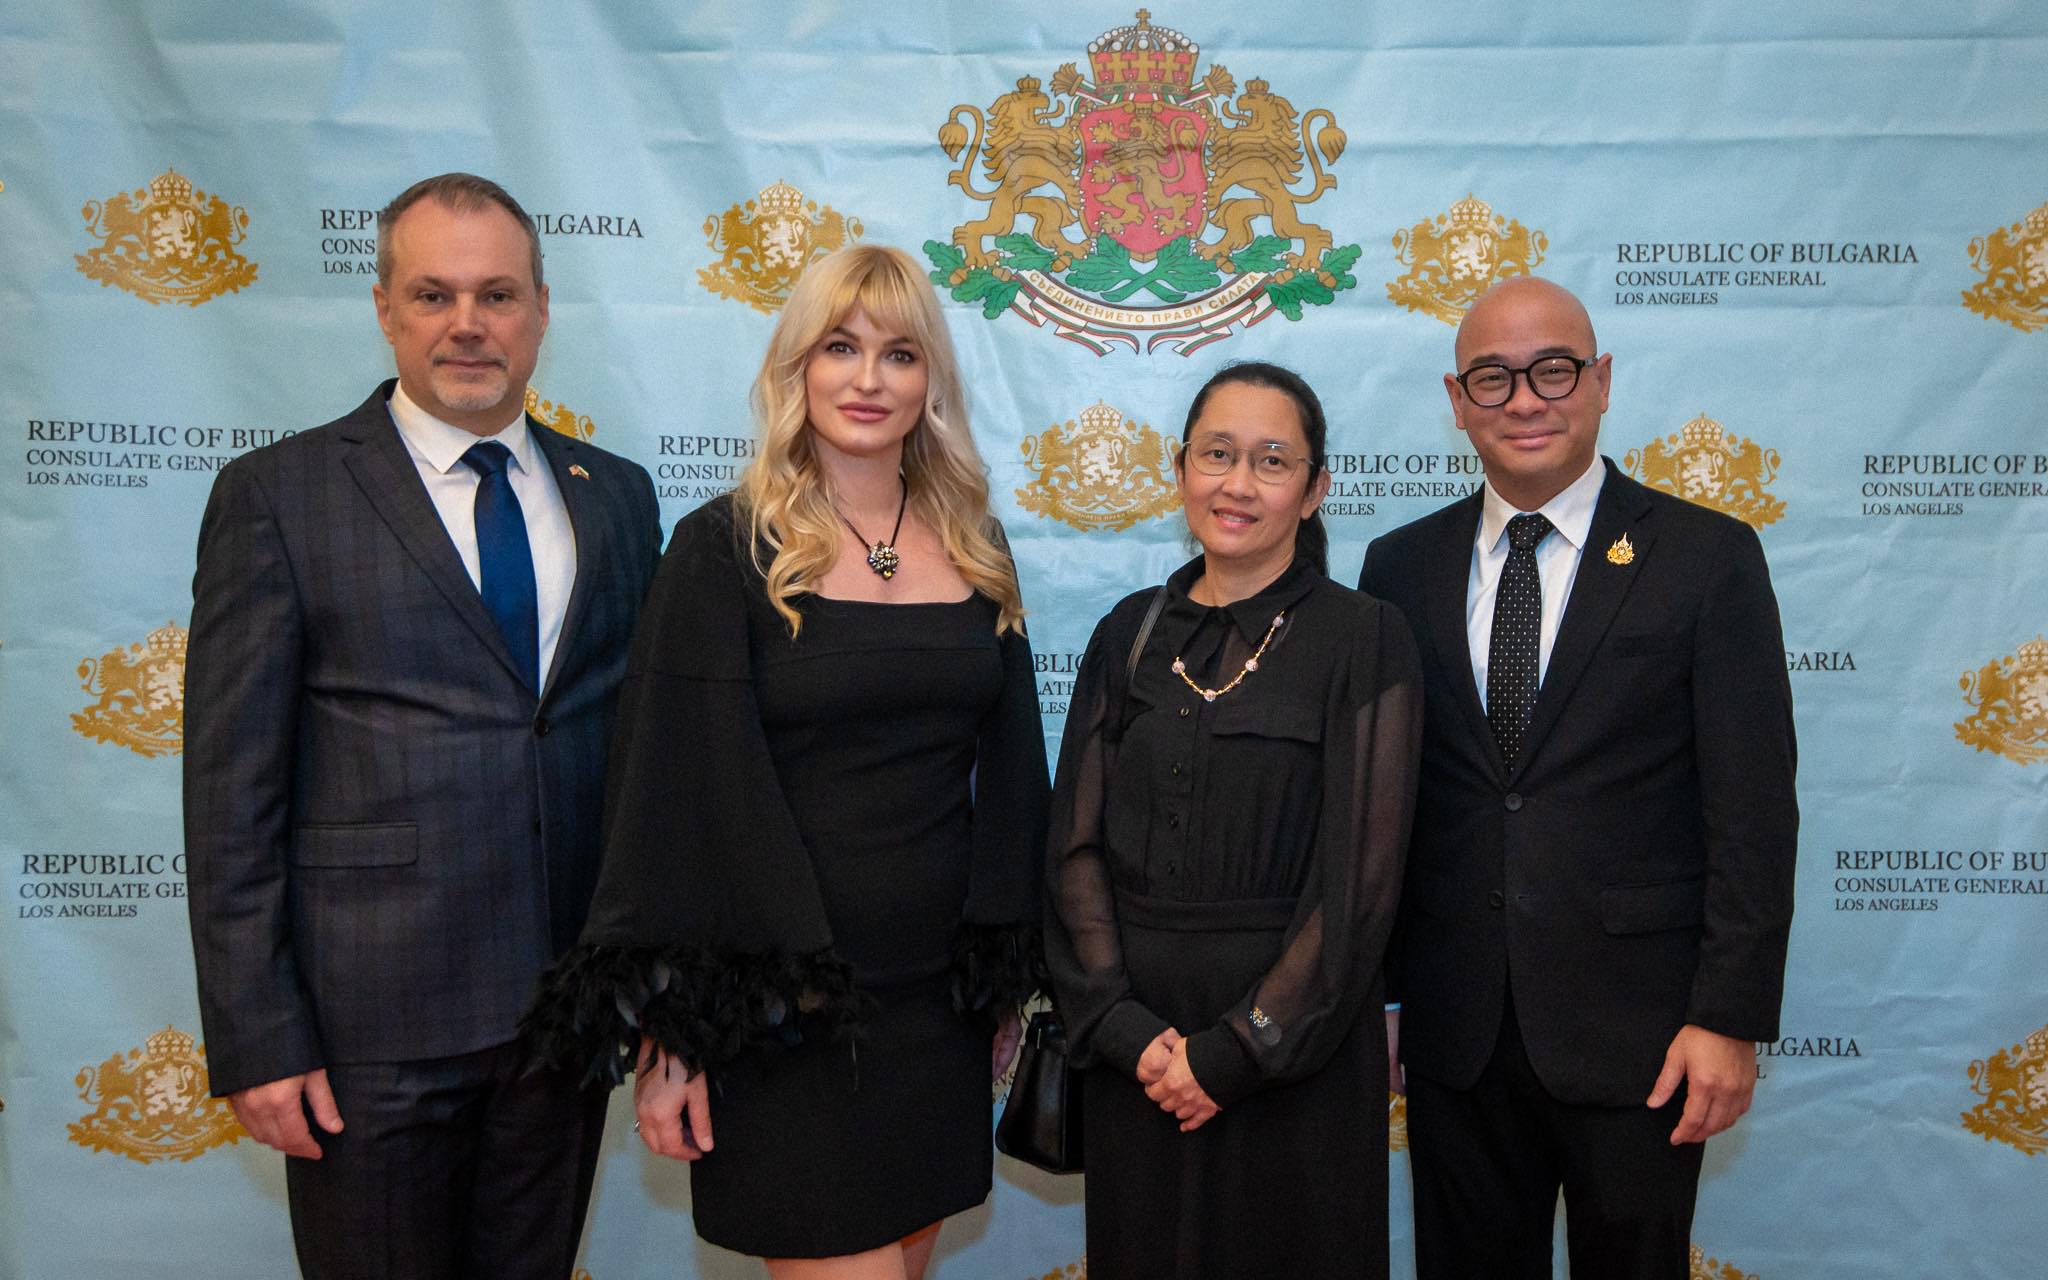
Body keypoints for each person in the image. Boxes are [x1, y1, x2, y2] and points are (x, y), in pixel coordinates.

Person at [524, 244, 1049, 1280]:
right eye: (840, 348)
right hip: (782, 1015)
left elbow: (1011, 771)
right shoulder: (721, 548)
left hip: (935, 1013)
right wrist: (672, 1034)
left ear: (930, 380)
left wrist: (1002, 976)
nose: (868, 378)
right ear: (794, 367)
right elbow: (669, 799)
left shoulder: (975, 544)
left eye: (899, 354)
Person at [183, 172, 663, 1280]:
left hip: (565, 1017)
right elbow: (230, 792)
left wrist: (651, 985)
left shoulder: (616, 495)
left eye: (497, 294)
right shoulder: (281, 494)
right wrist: (259, 1032)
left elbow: (642, 756)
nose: (467, 323)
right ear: (385, 308)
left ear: (541, 309)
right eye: (433, 294)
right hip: (368, 1029)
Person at [1358, 276, 1798, 1279]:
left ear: (1600, 381)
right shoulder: (1398, 569)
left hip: (1645, 1035)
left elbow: (1752, 810)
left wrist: (1727, 1015)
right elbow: (1384, 810)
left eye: (1552, 370)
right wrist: (1379, 1002)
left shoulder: (1706, 558)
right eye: (1492, 377)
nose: (1524, 399)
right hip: (1455, 1032)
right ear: (1456, 399)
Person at [1044, 362, 1422, 1277]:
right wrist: (1122, 1029)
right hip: (1140, 1054)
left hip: (1294, 1051)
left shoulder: (1364, 637)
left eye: (1271, 461)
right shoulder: (1128, 631)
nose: (1238, 484)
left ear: (1315, 490)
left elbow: (1361, 885)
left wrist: (1239, 1050)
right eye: (1217, 454)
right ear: (1180, 469)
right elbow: (1073, 850)